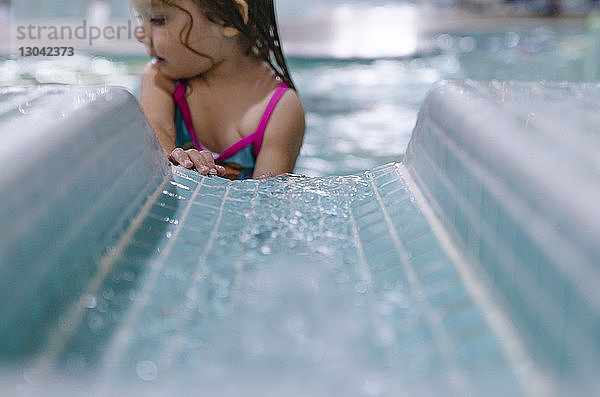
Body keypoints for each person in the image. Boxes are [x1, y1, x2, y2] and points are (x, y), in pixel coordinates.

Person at [130, 0, 305, 180]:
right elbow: (154, 133)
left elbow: (266, 203)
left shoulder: (279, 110)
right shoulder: (160, 78)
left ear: (227, 19)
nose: (140, 35)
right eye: (140, 18)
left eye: (158, 20)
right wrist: (174, 156)